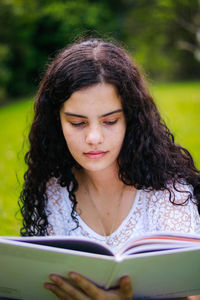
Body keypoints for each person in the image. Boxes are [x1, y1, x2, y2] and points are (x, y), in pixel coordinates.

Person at [19, 38, 200, 299]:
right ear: (56, 122)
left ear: (131, 120)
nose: (94, 137)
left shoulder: (169, 195)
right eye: (77, 123)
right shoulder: (53, 190)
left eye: (110, 121)